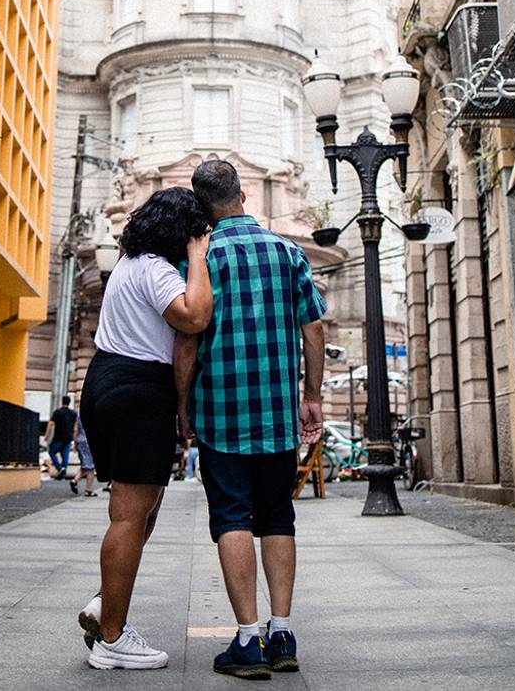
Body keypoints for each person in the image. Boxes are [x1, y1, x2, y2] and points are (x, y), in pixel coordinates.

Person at [177, 159, 326, 680]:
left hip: (220, 413)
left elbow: (187, 339)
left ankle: (246, 639)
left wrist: (183, 406)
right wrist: (311, 396)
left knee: (232, 519)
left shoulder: (200, 258)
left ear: (202, 206)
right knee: (278, 517)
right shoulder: (288, 251)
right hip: (276, 415)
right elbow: (313, 329)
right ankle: (281, 630)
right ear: (243, 196)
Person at [78, 187, 213, 671]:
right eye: (198, 230)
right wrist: (197, 256)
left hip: (107, 381)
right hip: (138, 388)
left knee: (141, 508)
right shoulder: (157, 269)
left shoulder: (127, 265)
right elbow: (194, 317)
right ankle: (112, 640)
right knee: (129, 516)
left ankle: (103, 604)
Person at [45, 395, 77, 480]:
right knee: (65, 456)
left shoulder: (57, 412)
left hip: (58, 437)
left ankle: (59, 468)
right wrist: (75, 439)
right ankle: (62, 475)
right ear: (69, 402)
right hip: (68, 437)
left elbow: (50, 424)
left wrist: (47, 435)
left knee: (51, 452)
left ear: (62, 401)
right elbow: (75, 427)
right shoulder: (73, 413)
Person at [70, 415, 97, 496]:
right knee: (90, 467)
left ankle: (75, 480)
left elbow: (75, 429)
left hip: (80, 441)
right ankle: (88, 489)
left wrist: (75, 443)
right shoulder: (93, 415)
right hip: (90, 441)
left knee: (85, 465)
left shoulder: (80, 416)